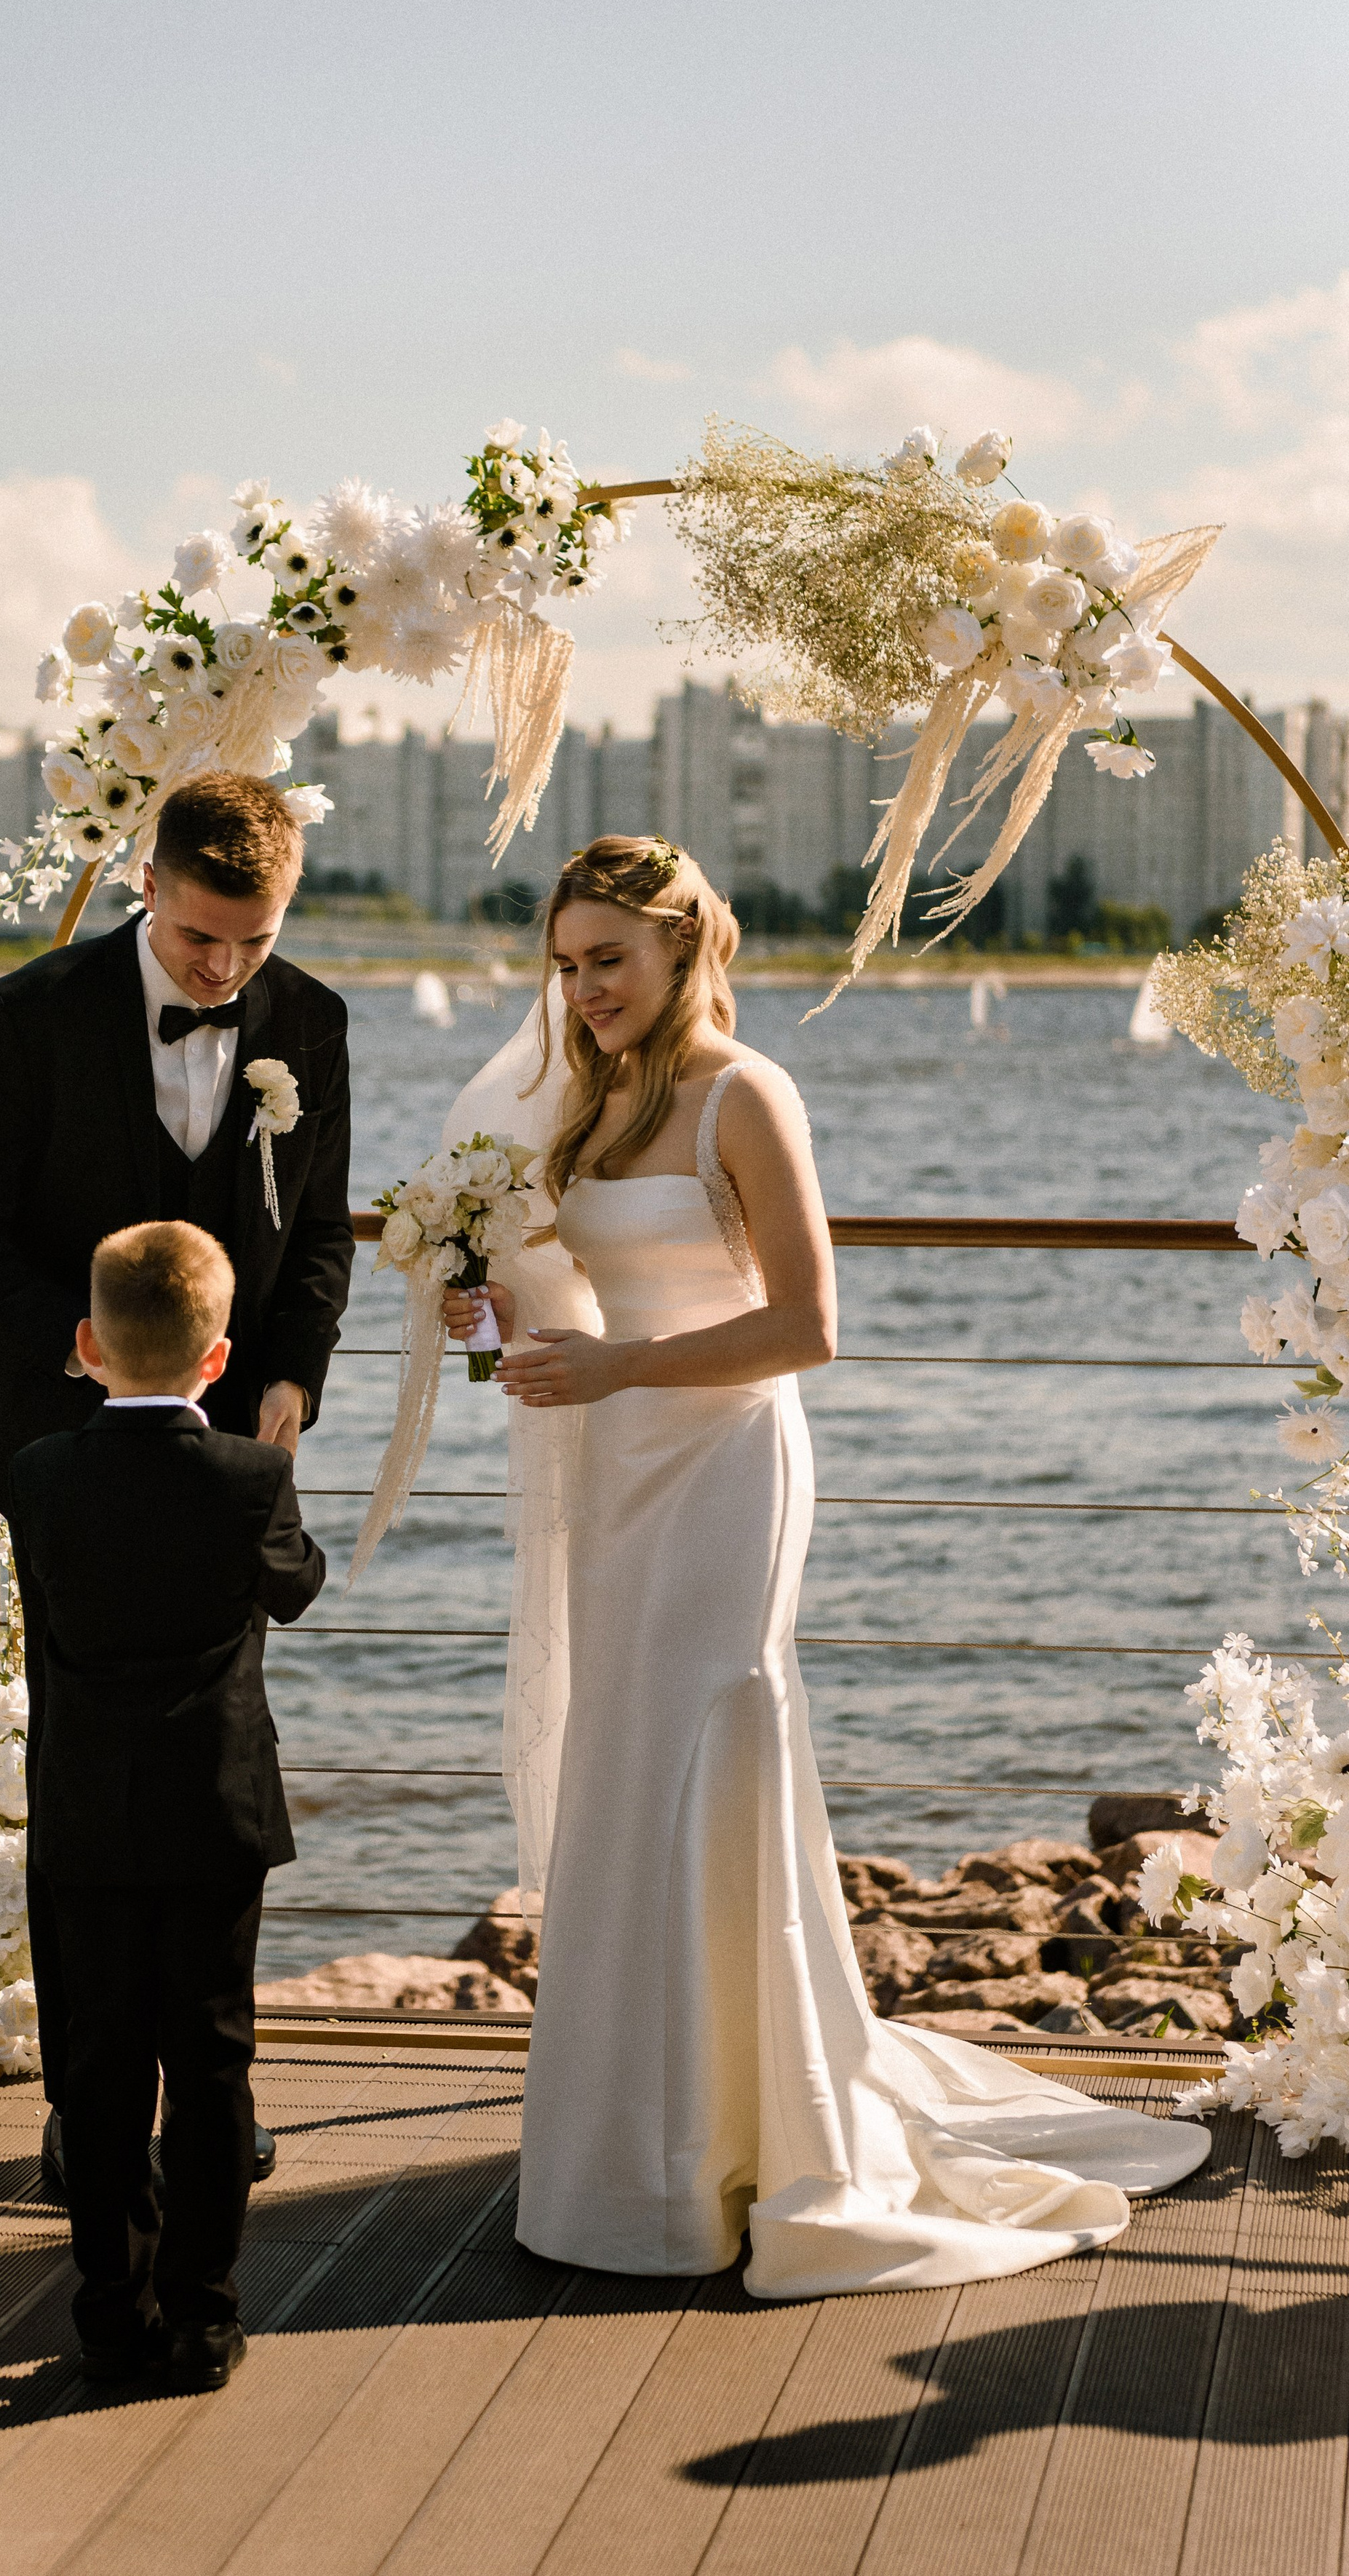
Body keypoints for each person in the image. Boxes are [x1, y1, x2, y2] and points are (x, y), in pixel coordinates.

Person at [442, 835, 1209, 2298]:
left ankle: (741, 2141)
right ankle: (635, 2149)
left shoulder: (747, 1093)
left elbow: (806, 1325)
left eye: (607, 957)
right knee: (619, 1770)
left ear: (680, 946)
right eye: (565, 963)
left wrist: (619, 1367)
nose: (584, 987)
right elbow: (555, 1295)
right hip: (614, 1470)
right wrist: (481, 1303)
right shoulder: (587, 1103)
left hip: (724, 1464)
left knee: (696, 1762)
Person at [0, 772, 354, 2194]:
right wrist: (97, 1354)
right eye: (200, 939)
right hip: (61, 1441)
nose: (225, 968)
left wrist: (290, 1376)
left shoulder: (312, 1025)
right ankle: (88, 2103)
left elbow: (326, 1239)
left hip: (237, 1452)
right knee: (85, 1762)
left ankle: (210, 2097)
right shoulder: (24, 1016)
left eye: (253, 941)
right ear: (145, 885)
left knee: (216, 1768)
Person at [9, 1220, 325, 2392]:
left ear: (89, 1344)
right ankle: (201, 2316)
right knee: (210, 2059)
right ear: (219, 1355)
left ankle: (108, 2314)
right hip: (213, 1808)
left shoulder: (36, 1475)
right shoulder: (253, 1477)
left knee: (100, 2066)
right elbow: (296, 1587)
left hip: (89, 1809)